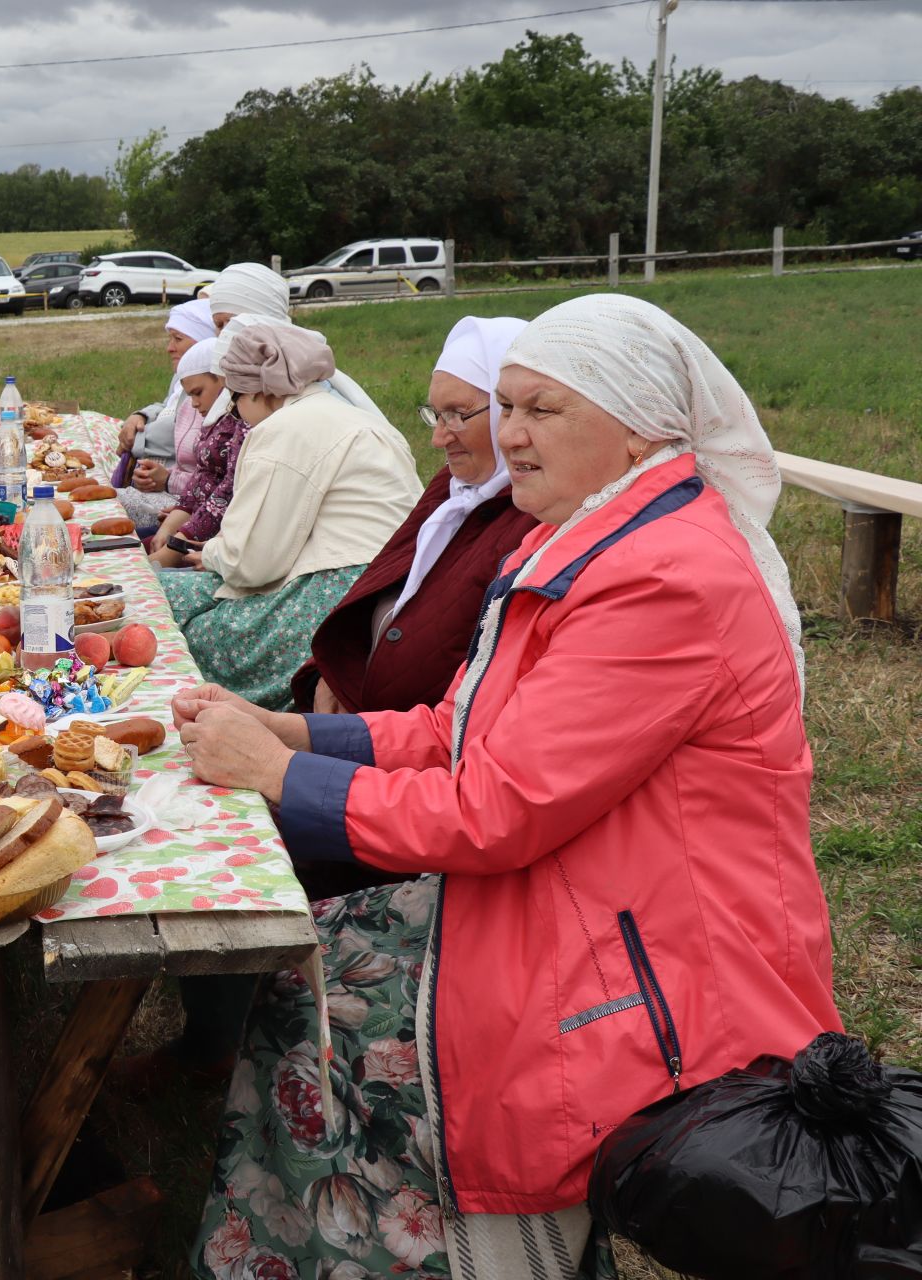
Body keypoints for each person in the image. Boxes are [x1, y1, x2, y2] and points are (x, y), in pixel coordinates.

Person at [178, 295, 838, 1279]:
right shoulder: (589, 536)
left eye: (541, 410)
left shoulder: (664, 580)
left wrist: (280, 775)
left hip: (664, 967)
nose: (508, 432)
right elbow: (464, 731)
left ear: (638, 427)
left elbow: (497, 809)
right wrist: (303, 730)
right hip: (597, 902)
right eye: (508, 405)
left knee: (329, 996)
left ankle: (487, 1249)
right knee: (298, 959)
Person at [154, 321, 420, 708]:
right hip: (387, 587)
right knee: (172, 594)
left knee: (164, 606)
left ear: (258, 390)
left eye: (236, 399)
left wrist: (208, 554)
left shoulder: (285, 429)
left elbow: (253, 562)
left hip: (333, 602)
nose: (238, 415)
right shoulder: (357, 418)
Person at [291, 317, 539, 716]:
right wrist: (328, 673)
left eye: (458, 414)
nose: (438, 437)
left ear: (511, 411)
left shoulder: (536, 515)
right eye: (437, 415)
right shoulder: (455, 486)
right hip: (369, 716)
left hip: (416, 745)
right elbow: (384, 573)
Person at [206, 262, 390, 421]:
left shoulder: (303, 389)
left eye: (232, 323)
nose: (225, 335)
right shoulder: (231, 385)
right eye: (219, 325)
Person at [113, 299, 216, 530]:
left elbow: (221, 484)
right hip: (173, 493)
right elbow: (166, 405)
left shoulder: (213, 402)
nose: (169, 347)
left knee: (104, 506)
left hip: (180, 500)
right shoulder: (184, 380)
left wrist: (135, 441)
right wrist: (140, 415)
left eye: (178, 338)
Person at [145, 339, 232, 558]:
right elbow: (201, 484)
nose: (193, 403)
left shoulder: (237, 425)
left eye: (198, 392)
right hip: (196, 530)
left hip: (215, 542)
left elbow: (223, 495)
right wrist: (171, 527)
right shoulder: (215, 422)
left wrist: (177, 544)